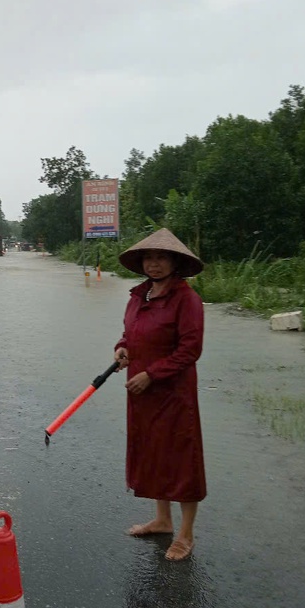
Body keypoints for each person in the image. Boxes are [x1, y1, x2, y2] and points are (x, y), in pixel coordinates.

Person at [114, 228, 206, 561]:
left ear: (175, 262)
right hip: (142, 392)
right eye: (149, 258)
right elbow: (130, 333)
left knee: (181, 458)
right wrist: (122, 348)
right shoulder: (139, 295)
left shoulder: (187, 299)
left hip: (173, 392)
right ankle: (163, 520)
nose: (154, 264)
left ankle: (186, 533)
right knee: (153, 452)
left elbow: (190, 349)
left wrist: (152, 374)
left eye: (161, 257)